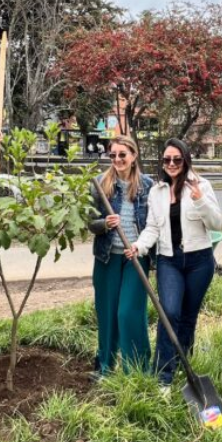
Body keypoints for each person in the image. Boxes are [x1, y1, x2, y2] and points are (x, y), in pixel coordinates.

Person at [132, 138, 222, 391]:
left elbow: (217, 224)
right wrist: (139, 246)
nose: (171, 164)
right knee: (169, 313)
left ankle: (184, 366)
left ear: (185, 160)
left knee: (187, 317)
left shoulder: (201, 185)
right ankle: (163, 375)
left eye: (177, 159)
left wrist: (199, 200)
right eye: (167, 160)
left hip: (199, 261)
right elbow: (152, 227)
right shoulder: (157, 191)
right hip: (169, 261)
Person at [89, 136, 153, 377]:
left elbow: (153, 224)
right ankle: (105, 366)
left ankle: (137, 369)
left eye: (122, 155)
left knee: (128, 312)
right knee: (106, 312)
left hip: (135, 257)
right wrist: (104, 223)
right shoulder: (99, 183)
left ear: (133, 156)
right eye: (113, 155)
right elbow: (90, 223)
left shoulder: (147, 185)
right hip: (107, 258)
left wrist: (140, 246)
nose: (117, 159)